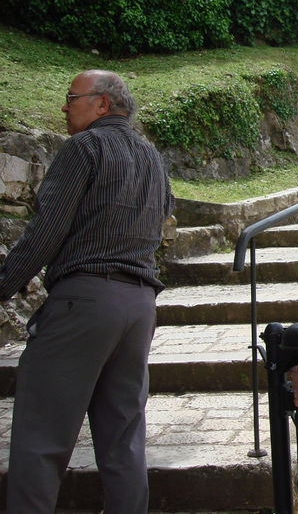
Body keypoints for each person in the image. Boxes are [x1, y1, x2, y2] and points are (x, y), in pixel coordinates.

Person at [0, 70, 174, 513]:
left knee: (42, 435)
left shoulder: (84, 148)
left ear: (102, 104)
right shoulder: (152, 157)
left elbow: (46, 232)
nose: (64, 105)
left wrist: (3, 286)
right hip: (139, 307)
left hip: (85, 300)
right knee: (123, 438)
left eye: (71, 97)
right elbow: (162, 222)